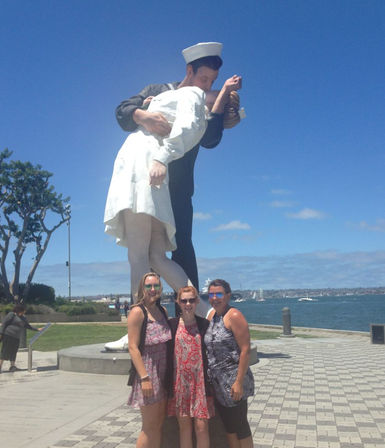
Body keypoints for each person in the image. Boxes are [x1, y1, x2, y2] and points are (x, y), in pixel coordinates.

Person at [114, 41, 242, 292]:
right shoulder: (158, 90)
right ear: (189, 71)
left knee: (182, 247)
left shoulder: (205, 103)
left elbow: (210, 140)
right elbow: (122, 112)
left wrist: (221, 106)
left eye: (212, 81)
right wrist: (144, 116)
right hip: (148, 183)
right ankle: (152, 320)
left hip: (179, 191)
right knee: (147, 253)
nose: (206, 86)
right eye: (203, 78)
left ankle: (190, 318)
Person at [204, 279, 254, 448]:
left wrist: (239, 382)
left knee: (240, 426)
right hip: (218, 383)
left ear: (228, 296)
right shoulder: (212, 315)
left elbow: (245, 350)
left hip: (233, 381)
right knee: (229, 427)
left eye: (219, 294)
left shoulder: (234, 316)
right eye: (211, 294)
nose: (214, 298)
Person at [127, 272, 171, 448]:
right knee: (149, 426)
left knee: (159, 424)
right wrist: (144, 378)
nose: (153, 289)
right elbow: (133, 347)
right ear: (142, 289)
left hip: (163, 375)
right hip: (148, 375)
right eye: (148, 286)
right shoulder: (138, 312)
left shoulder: (162, 311)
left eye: (156, 286)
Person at [166, 286, 214, 448]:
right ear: (178, 302)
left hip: (200, 385)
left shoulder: (205, 325)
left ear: (197, 301)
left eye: (191, 300)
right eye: (184, 300)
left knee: (201, 428)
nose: (188, 304)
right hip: (180, 386)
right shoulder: (171, 325)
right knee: (184, 428)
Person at [0, 304, 42, 373]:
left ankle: (12, 366)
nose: (24, 312)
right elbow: (4, 324)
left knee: (13, 352)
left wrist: (37, 329)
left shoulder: (23, 317)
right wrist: (1, 334)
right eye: (23, 310)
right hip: (8, 335)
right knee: (5, 351)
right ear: (19, 310)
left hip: (16, 337)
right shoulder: (12, 314)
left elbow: (27, 326)